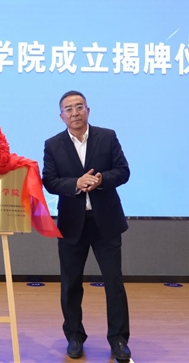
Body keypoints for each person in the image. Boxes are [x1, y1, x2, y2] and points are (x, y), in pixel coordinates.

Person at [42, 90, 132, 361]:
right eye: (69, 109)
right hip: (72, 224)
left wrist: (102, 180)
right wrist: (75, 183)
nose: (75, 113)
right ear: (61, 116)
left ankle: (118, 340)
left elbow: (123, 171)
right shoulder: (53, 144)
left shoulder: (107, 137)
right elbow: (49, 181)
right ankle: (74, 336)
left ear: (88, 111)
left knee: (114, 283)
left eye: (79, 107)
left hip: (106, 222)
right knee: (71, 284)